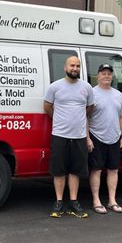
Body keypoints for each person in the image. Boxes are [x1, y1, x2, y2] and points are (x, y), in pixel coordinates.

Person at [44, 55, 94, 218]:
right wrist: (61, 120)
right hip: (59, 135)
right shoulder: (55, 87)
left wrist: (76, 120)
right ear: (65, 67)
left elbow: (89, 108)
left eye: (78, 66)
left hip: (79, 136)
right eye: (72, 65)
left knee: (75, 171)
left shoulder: (86, 87)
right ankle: (59, 202)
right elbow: (47, 107)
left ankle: (73, 202)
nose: (75, 69)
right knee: (59, 171)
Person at [87, 64, 122, 214]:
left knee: (113, 170)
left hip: (115, 138)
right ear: (98, 76)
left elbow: (121, 116)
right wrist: (88, 138)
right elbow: (85, 117)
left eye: (109, 74)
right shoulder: (91, 93)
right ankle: (96, 201)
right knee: (96, 170)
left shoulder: (118, 94)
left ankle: (112, 201)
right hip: (97, 136)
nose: (106, 76)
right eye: (103, 73)